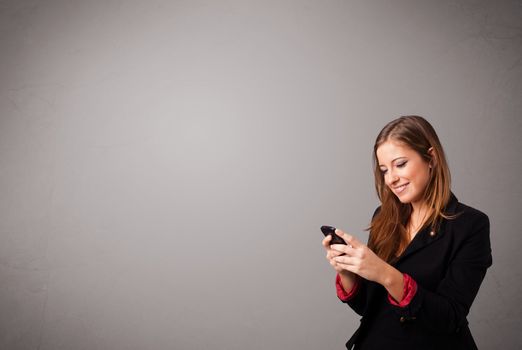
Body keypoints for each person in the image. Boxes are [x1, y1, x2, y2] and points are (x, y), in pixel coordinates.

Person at [322, 116, 492, 349]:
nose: (391, 179)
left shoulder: (471, 225)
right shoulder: (383, 217)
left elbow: (449, 317)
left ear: (430, 158)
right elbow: (371, 308)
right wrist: (348, 273)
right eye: (384, 170)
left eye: (400, 164)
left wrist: (385, 273)